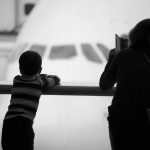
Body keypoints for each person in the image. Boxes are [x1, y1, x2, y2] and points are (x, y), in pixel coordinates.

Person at [99, 19, 150, 150]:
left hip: (122, 121)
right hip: (144, 120)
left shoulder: (124, 55)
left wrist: (112, 58)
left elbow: (105, 84)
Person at [1, 50, 60, 150]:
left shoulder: (16, 79)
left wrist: (37, 75)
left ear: (20, 69)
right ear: (40, 70)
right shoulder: (40, 83)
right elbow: (56, 79)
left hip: (8, 123)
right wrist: (40, 75)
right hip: (24, 124)